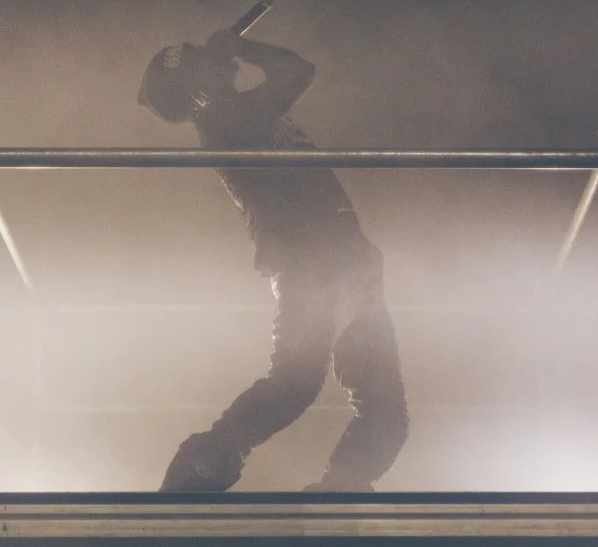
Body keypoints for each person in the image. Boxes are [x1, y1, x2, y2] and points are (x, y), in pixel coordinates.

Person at [137, 27, 408, 493]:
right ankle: (215, 465)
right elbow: (298, 71)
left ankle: (218, 465)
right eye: (206, 57)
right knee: (326, 390)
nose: (222, 58)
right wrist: (240, 44)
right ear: (199, 82)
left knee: (326, 390)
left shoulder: (235, 116)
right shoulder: (229, 117)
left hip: (333, 263)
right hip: (321, 264)